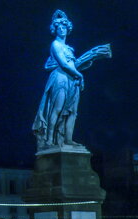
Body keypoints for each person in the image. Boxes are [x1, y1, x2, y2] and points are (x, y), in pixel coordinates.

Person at [32, 10, 111, 150]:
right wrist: (79, 75)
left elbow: (73, 65)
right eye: (59, 27)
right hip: (60, 77)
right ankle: (49, 140)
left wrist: (86, 62)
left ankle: (68, 139)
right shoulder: (55, 45)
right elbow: (63, 64)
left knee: (72, 111)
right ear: (55, 29)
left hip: (72, 79)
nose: (62, 29)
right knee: (57, 108)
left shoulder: (69, 48)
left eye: (64, 27)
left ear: (68, 29)